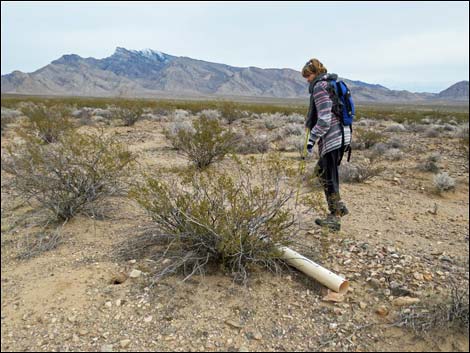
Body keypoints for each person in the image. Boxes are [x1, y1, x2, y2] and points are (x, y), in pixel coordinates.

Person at [301, 58, 351, 232]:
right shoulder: (329, 84)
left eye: (308, 75)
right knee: (325, 172)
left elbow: (324, 118)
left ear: (315, 73)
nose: (307, 79)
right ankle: (338, 207)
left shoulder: (320, 87)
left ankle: (335, 217)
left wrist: (311, 139)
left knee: (327, 175)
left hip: (333, 138)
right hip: (342, 135)